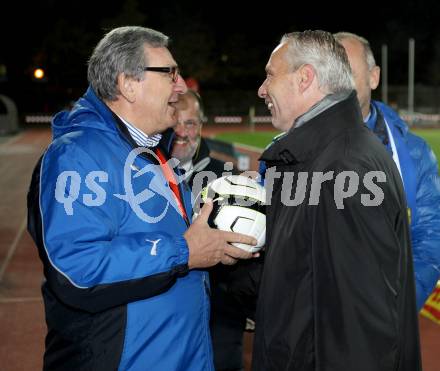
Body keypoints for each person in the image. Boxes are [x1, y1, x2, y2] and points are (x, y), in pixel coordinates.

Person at [26, 26, 257, 371]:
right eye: (170, 74)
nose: (181, 86)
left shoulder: (151, 152)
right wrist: (186, 252)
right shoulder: (77, 156)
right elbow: (76, 268)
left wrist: (218, 226)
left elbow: (157, 233)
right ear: (128, 84)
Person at [253, 30, 421, 370]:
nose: (262, 89)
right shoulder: (316, 157)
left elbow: (360, 335)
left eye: (270, 74)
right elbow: (299, 283)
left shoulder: (345, 168)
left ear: (305, 79)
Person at [334, 31, 440, 310]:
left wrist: (402, 302)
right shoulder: (287, 151)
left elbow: (430, 234)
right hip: (312, 325)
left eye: (347, 73)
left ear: (373, 77)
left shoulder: (413, 152)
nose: (337, 84)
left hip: (387, 320)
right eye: (330, 74)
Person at [171, 90, 251, 371]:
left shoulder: (228, 176)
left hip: (220, 317)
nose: (181, 132)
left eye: (191, 123)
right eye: (174, 121)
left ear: (202, 126)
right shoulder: (140, 175)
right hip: (166, 316)